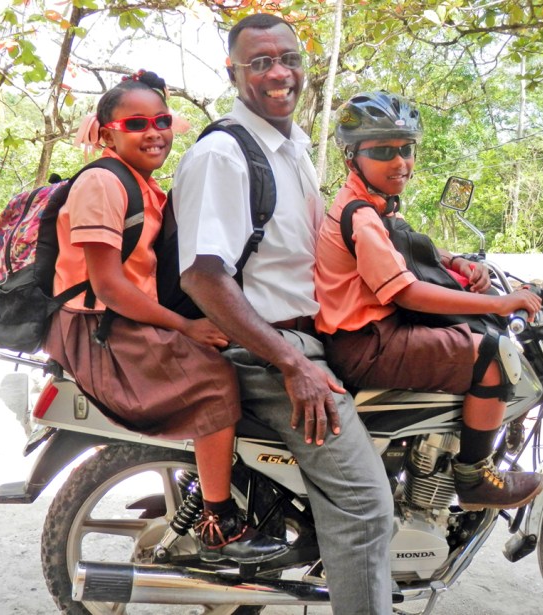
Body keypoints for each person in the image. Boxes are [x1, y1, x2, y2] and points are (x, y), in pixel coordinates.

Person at [173, 15, 395, 614]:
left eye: (289, 59)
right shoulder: (223, 154)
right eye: (261, 62)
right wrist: (292, 364)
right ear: (233, 73)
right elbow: (203, 275)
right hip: (268, 354)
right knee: (365, 506)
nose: (279, 73)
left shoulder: (292, 147)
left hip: (300, 340)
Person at [43, 70, 286, 564]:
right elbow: (109, 286)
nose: (153, 132)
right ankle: (218, 523)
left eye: (161, 121)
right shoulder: (102, 183)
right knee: (214, 383)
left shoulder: (145, 186)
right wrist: (186, 326)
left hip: (124, 320)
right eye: (136, 124)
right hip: (97, 327)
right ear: (108, 133)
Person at [315, 91, 543, 510]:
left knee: (472, 332)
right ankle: (474, 475)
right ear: (352, 158)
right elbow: (406, 291)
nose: (399, 162)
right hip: (369, 344)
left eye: (406, 149)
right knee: (493, 353)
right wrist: (499, 304)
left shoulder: (376, 205)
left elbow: (411, 247)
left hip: (376, 334)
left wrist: (457, 261)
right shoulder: (361, 216)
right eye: (382, 151)